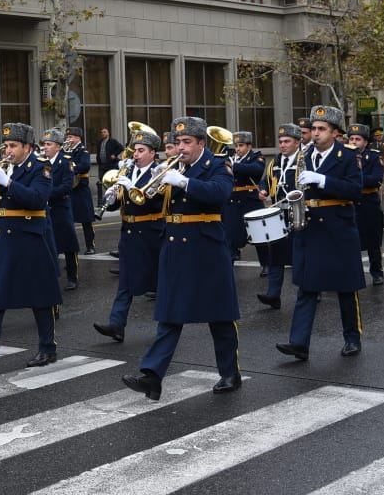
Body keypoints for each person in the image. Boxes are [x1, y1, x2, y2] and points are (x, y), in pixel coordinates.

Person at [121, 115, 241, 399]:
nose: (182, 147)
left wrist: (186, 183)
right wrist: (129, 187)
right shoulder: (175, 167)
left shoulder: (217, 164)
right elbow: (148, 200)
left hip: (206, 247)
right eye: (178, 142)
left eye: (187, 142)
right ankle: (152, 376)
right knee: (169, 315)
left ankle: (230, 373)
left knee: (220, 315)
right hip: (175, 246)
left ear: (201, 142)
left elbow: (220, 193)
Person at [0, 123, 61, 372]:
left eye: (13, 145)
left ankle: (47, 348)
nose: (8, 150)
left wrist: (7, 182)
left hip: (29, 237)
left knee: (40, 297)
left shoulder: (41, 168)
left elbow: (38, 199)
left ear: (27, 147)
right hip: (3, 238)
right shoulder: (3, 167)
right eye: (6, 145)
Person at [277, 105, 366, 361]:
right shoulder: (304, 155)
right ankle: (299, 343)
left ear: (335, 133)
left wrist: (323, 180)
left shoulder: (348, 156)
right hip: (311, 227)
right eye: (313, 129)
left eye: (321, 129)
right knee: (307, 286)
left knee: (345, 287)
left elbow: (355, 190)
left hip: (338, 227)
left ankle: (352, 338)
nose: (314, 134)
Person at [93, 127, 163, 342]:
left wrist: (132, 188)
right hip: (129, 233)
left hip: (150, 233)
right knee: (125, 281)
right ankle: (116, 324)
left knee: (159, 282)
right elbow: (120, 204)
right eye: (135, 150)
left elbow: (156, 202)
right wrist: (112, 198)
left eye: (141, 150)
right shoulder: (128, 171)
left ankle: (167, 327)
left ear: (152, 153)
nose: (136, 154)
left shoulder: (160, 173)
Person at [256, 123, 301, 309]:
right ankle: (273, 294)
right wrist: (263, 191)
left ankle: (308, 290)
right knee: (276, 254)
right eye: (280, 141)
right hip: (278, 213)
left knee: (300, 253)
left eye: (287, 141)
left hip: (298, 211)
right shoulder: (274, 162)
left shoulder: (304, 160)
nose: (282, 145)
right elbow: (264, 181)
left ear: (297, 142)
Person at [40, 128, 79, 290]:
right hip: (45, 210)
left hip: (60, 208)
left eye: (49, 144)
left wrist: (46, 194)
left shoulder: (65, 162)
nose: (45, 147)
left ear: (58, 146)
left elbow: (67, 186)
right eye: (44, 144)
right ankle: (49, 277)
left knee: (68, 245)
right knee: (48, 245)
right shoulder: (41, 162)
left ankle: (72, 277)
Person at [349, 124, 384, 286]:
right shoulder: (343, 156)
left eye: (358, 139)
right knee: (350, 240)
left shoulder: (374, 156)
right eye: (351, 138)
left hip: (368, 202)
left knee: (373, 241)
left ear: (365, 142)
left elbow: (376, 178)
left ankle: (377, 272)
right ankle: (352, 272)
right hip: (350, 202)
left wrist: (355, 179)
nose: (354, 141)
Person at [226, 131, 265, 269]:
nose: (237, 149)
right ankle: (229, 264)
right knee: (230, 235)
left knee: (258, 236)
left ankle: (265, 264)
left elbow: (256, 170)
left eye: (241, 145)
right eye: (236, 145)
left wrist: (233, 166)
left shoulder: (256, 157)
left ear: (249, 146)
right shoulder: (231, 157)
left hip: (250, 201)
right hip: (232, 202)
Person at [65, 127, 97, 254]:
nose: (68, 139)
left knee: (86, 220)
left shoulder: (83, 151)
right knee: (68, 220)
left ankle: (91, 246)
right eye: (67, 137)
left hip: (81, 188)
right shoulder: (65, 150)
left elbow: (85, 166)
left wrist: (70, 167)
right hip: (69, 189)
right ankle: (70, 249)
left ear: (78, 138)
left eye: (70, 137)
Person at [96, 128, 124, 206]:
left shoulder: (113, 141)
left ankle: (113, 201)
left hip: (110, 165)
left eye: (104, 132)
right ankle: (100, 202)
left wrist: (114, 155)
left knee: (111, 183)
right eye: (102, 132)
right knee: (100, 182)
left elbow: (121, 148)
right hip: (102, 165)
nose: (103, 133)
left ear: (108, 133)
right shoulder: (100, 142)